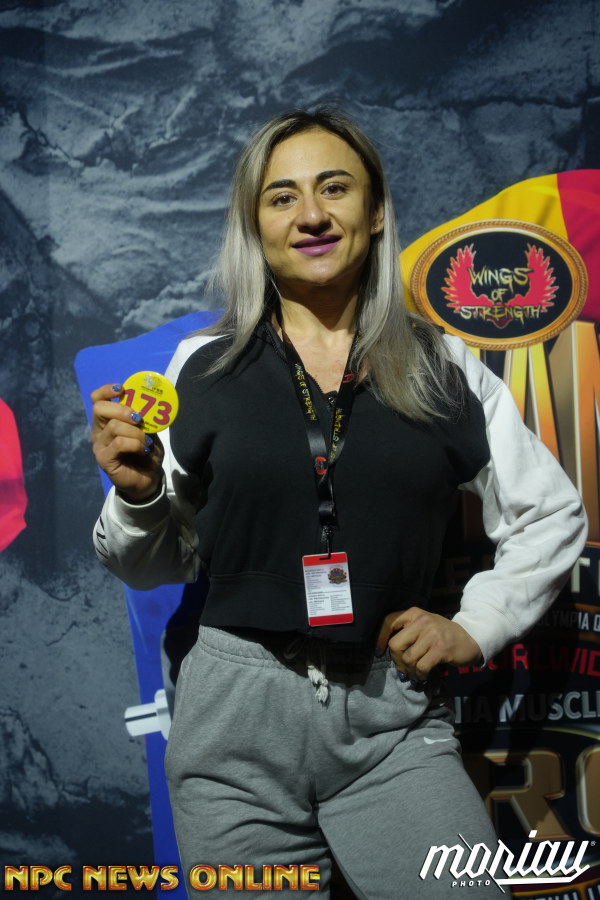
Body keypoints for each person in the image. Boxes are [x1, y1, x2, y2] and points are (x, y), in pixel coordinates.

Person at [91, 108, 587, 899]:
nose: (312, 215)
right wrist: (142, 496)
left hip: (391, 720)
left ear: (375, 210)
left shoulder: (441, 364)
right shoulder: (201, 367)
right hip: (233, 729)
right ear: (255, 225)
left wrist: (476, 624)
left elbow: (551, 514)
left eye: (334, 188)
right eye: (282, 197)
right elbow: (150, 565)